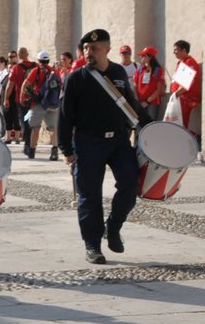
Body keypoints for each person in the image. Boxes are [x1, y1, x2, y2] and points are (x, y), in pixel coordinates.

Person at [58, 28, 149, 264]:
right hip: (88, 143)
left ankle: (114, 227)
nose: (89, 52)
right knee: (89, 196)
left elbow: (131, 104)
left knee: (130, 185)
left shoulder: (118, 72)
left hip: (119, 140)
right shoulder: (75, 78)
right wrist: (66, 149)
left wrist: (152, 127)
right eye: (86, 48)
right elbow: (65, 117)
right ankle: (93, 245)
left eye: (95, 49)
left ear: (107, 50)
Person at [19, 51, 64, 160]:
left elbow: (26, 83)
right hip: (53, 104)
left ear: (39, 61)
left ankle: (32, 151)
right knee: (53, 128)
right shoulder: (54, 72)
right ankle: (54, 151)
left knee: (35, 128)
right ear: (48, 60)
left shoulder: (36, 70)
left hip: (39, 103)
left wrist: (22, 97)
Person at [170, 40, 201, 137]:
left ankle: (192, 138)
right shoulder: (181, 63)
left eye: (176, 50)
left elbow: (186, 83)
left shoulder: (189, 62)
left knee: (181, 123)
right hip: (179, 98)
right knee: (177, 123)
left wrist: (176, 94)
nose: (174, 52)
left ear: (184, 50)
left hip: (185, 98)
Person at [132, 47, 166, 117]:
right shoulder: (139, 70)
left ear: (150, 57)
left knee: (151, 124)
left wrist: (147, 101)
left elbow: (158, 89)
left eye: (144, 55)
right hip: (140, 102)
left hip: (153, 103)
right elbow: (135, 86)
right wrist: (138, 101)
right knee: (141, 124)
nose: (141, 57)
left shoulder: (158, 70)